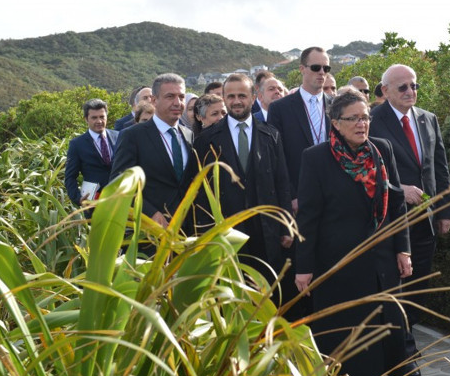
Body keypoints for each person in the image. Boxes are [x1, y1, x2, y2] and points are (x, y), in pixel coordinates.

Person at [295, 88, 411, 376]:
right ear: (335, 123)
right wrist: (303, 266)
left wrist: (404, 249)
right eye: (353, 118)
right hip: (337, 263)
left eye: (365, 117)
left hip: (381, 259)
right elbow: (308, 217)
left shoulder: (381, 150)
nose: (362, 124)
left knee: (378, 323)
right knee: (346, 329)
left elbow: (397, 203)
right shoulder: (316, 158)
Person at [369, 64, 450, 376]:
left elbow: (439, 167)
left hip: (425, 219)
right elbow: (365, 169)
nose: (410, 92)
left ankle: (406, 336)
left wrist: (445, 210)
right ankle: (403, 352)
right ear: (386, 90)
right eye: (402, 87)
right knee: (396, 285)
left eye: (414, 86)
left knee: (419, 283)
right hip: (390, 219)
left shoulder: (427, 119)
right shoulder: (371, 121)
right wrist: (398, 190)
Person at [190, 74, 292, 278]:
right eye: (231, 96)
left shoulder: (271, 135)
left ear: (253, 97)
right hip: (227, 231)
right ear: (224, 98)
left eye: (242, 96)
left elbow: (281, 181)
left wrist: (286, 225)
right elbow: (199, 190)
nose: (236, 101)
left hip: (266, 229)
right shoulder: (206, 140)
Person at [110, 73, 195, 231]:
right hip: (149, 233)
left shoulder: (188, 135)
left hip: (186, 231)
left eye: (181, 97)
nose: (178, 103)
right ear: (154, 100)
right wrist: (150, 213)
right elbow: (120, 184)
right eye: (170, 96)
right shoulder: (133, 136)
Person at [267, 46, 334, 212]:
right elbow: (277, 156)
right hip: (299, 197)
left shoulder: (337, 106)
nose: (321, 72)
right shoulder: (279, 108)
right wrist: (291, 195)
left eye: (326, 68)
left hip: (335, 195)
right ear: (302, 69)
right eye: (316, 67)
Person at [65, 98, 119, 207]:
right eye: (94, 118)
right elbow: (70, 177)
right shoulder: (77, 144)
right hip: (94, 204)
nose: (99, 121)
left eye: (102, 117)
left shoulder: (119, 136)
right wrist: (78, 198)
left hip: (120, 201)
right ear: (86, 119)